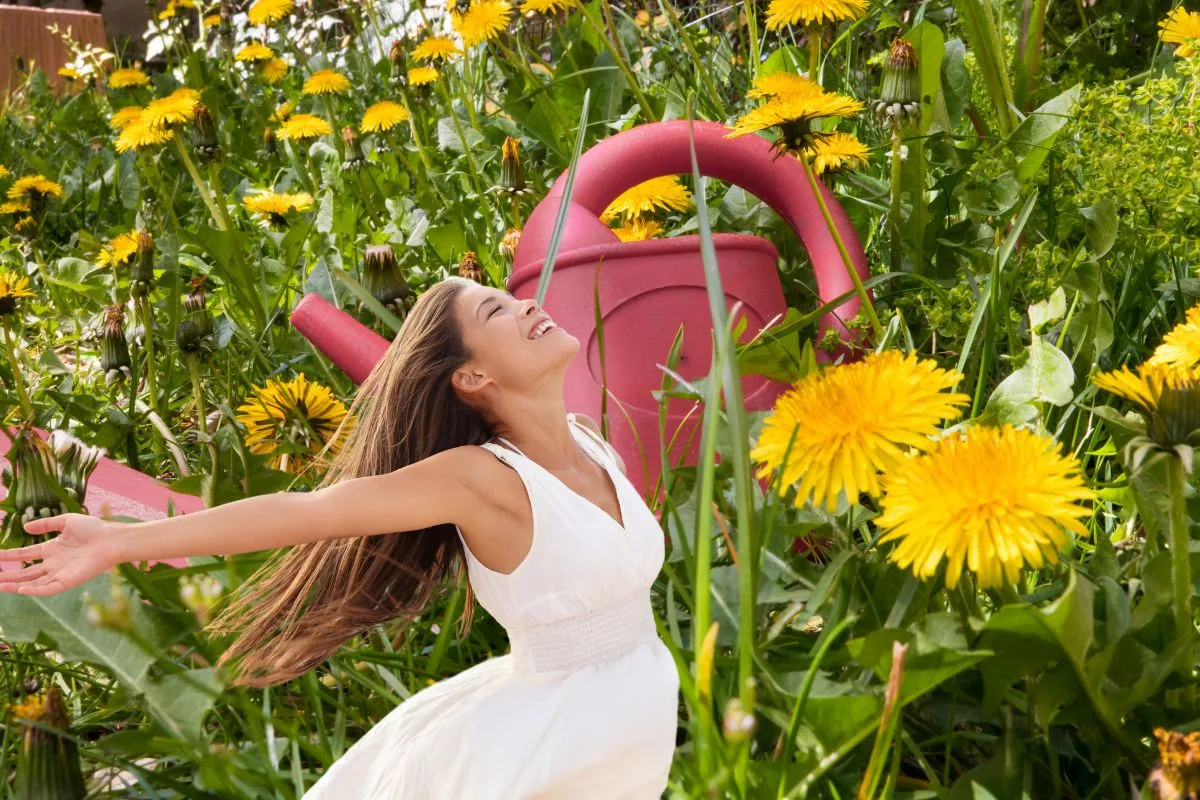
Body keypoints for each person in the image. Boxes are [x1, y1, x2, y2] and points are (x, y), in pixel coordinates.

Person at [0, 277, 681, 799]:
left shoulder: (593, 444)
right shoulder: (481, 480)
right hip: (551, 744)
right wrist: (116, 541)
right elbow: (311, 511)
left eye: (511, 296)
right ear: (473, 377)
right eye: (496, 311)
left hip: (625, 729)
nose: (525, 305)